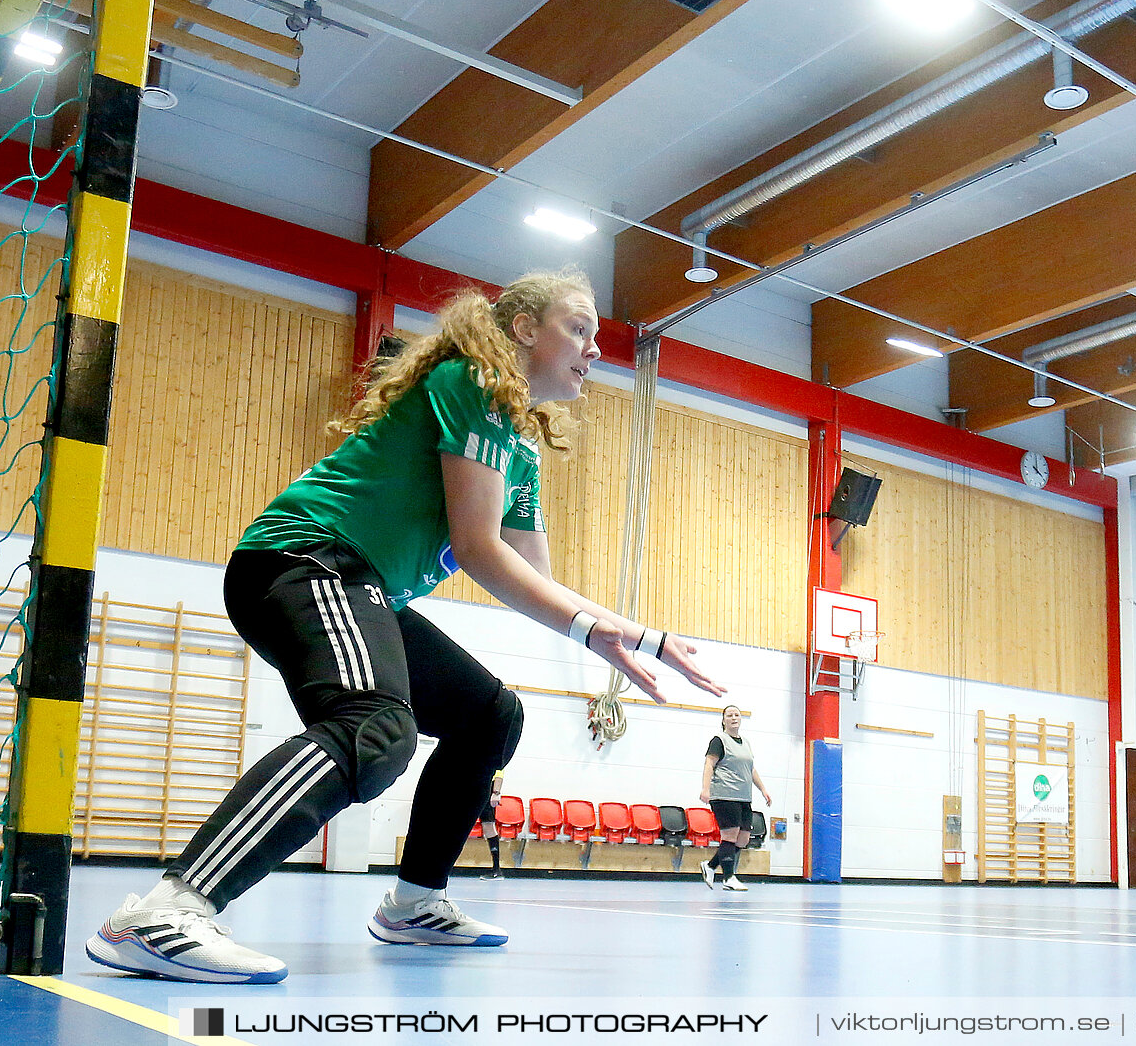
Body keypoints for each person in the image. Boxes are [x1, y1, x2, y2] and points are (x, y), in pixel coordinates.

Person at [86, 269, 724, 984]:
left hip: (362, 586)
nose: (594, 348)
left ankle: (414, 903)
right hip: (302, 560)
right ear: (522, 330)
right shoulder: (471, 383)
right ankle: (168, 910)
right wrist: (613, 634)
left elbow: (535, 581)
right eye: (578, 328)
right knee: (374, 728)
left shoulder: (518, 446)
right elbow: (480, 552)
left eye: (596, 336)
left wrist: (639, 637)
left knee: (489, 713)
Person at [698, 705, 770, 891]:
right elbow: (709, 763)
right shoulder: (719, 740)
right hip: (724, 794)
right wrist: (705, 789)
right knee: (729, 836)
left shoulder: (745, 743)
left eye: (737, 715)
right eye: (729, 715)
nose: (734, 718)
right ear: (723, 720)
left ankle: (711, 866)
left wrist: (763, 789)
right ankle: (728, 878)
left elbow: (751, 769)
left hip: (743, 796)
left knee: (743, 839)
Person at [480, 770, 506, 879]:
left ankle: (496, 869)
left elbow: (499, 772)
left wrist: (496, 792)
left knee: (488, 826)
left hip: (487, 787)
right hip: (476, 783)